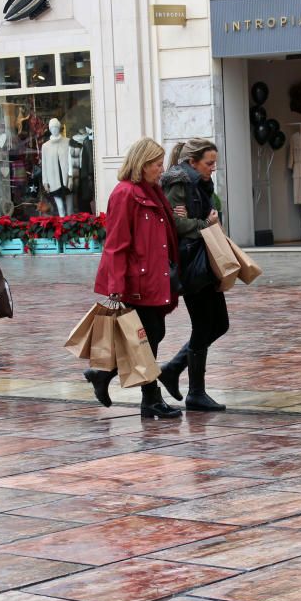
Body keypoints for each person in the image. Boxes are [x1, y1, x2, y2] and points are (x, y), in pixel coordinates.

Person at [84, 137, 182, 418]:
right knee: (147, 338)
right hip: (137, 280)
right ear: (142, 163)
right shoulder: (125, 193)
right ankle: (150, 399)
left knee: (149, 337)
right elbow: (116, 243)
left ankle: (103, 375)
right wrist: (115, 285)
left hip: (154, 276)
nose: (161, 169)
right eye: (156, 164)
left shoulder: (151, 191)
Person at [157, 139, 228, 412]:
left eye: (214, 163)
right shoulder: (179, 182)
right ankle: (195, 392)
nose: (213, 168)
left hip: (204, 259)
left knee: (219, 324)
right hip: (192, 263)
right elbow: (176, 223)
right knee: (204, 325)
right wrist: (205, 224)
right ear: (192, 162)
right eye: (209, 163)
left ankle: (173, 369)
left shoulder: (198, 182)